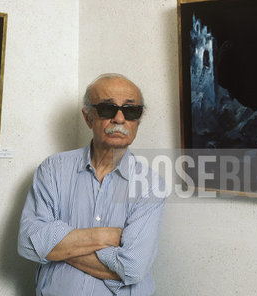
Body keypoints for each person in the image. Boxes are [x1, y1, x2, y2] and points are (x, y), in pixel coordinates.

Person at [17, 73, 166, 295]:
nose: (119, 118)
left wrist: (56, 246)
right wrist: (106, 236)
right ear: (88, 118)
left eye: (130, 111)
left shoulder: (150, 183)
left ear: (138, 120)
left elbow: (132, 267)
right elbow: (28, 243)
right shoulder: (53, 169)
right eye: (107, 109)